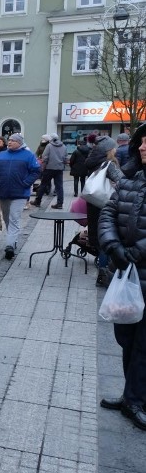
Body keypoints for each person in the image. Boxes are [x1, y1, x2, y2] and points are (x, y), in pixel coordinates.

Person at [98, 122, 146, 430]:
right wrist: (112, 244)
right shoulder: (132, 179)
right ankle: (132, 394)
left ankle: (136, 399)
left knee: (144, 342)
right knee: (126, 336)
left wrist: (138, 250)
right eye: (141, 143)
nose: (141, 148)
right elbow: (108, 213)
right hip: (126, 271)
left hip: (140, 266)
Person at [0, 133, 41, 260]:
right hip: (4, 192)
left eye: (13, 140)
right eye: (9, 140)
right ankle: (13, 239)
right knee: (7, 219)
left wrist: (26, 183)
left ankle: (9, 245)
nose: (10, 142)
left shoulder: (28, 155)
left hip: (20, 194)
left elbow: (36, 171)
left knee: (14, 218)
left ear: (20, 143)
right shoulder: (2, 155)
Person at [85, 135, 123, 287]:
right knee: (107, 238)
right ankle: (104, 272)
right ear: (110, 149)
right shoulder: (109, 164)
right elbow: (122, 181)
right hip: (106, 204)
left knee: (99, 237)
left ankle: (102, 269)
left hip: (94, 203)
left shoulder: (93, 162)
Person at [33, 133, 66, 208]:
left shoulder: (49, 146)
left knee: (43, 184)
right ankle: (60, 203)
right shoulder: (63, 146)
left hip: (49, 168)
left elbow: (45, 157)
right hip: (59, 168)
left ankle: (38, 201)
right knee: (59, 186)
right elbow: (65, 158)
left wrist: (43, 167)